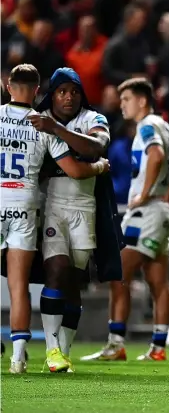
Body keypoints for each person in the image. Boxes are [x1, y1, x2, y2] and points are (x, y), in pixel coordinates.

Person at [0, 64, 110, 374]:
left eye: (74, 91)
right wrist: (101, 167)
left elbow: (97, 144)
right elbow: (79, 167)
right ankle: (29, 356)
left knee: (71, 279)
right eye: (62, 91)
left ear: (9, 86)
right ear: (40, 91)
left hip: (70, 207)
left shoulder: (87, 119)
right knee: (29, 282)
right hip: (35, 206)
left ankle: (60, 351)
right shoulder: (42, 122)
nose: (68, 97)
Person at [81, 78, 169, 362]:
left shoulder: (147, 126)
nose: (122, 105)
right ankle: (158, 347)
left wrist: (145, 195)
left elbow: (155, 156)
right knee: (159, 281)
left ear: (142, 101)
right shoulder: (163, 124)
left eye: (126, 99)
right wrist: (166, 195)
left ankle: (116, 343)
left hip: (146, 213)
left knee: (118, 274)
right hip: (161, 211)